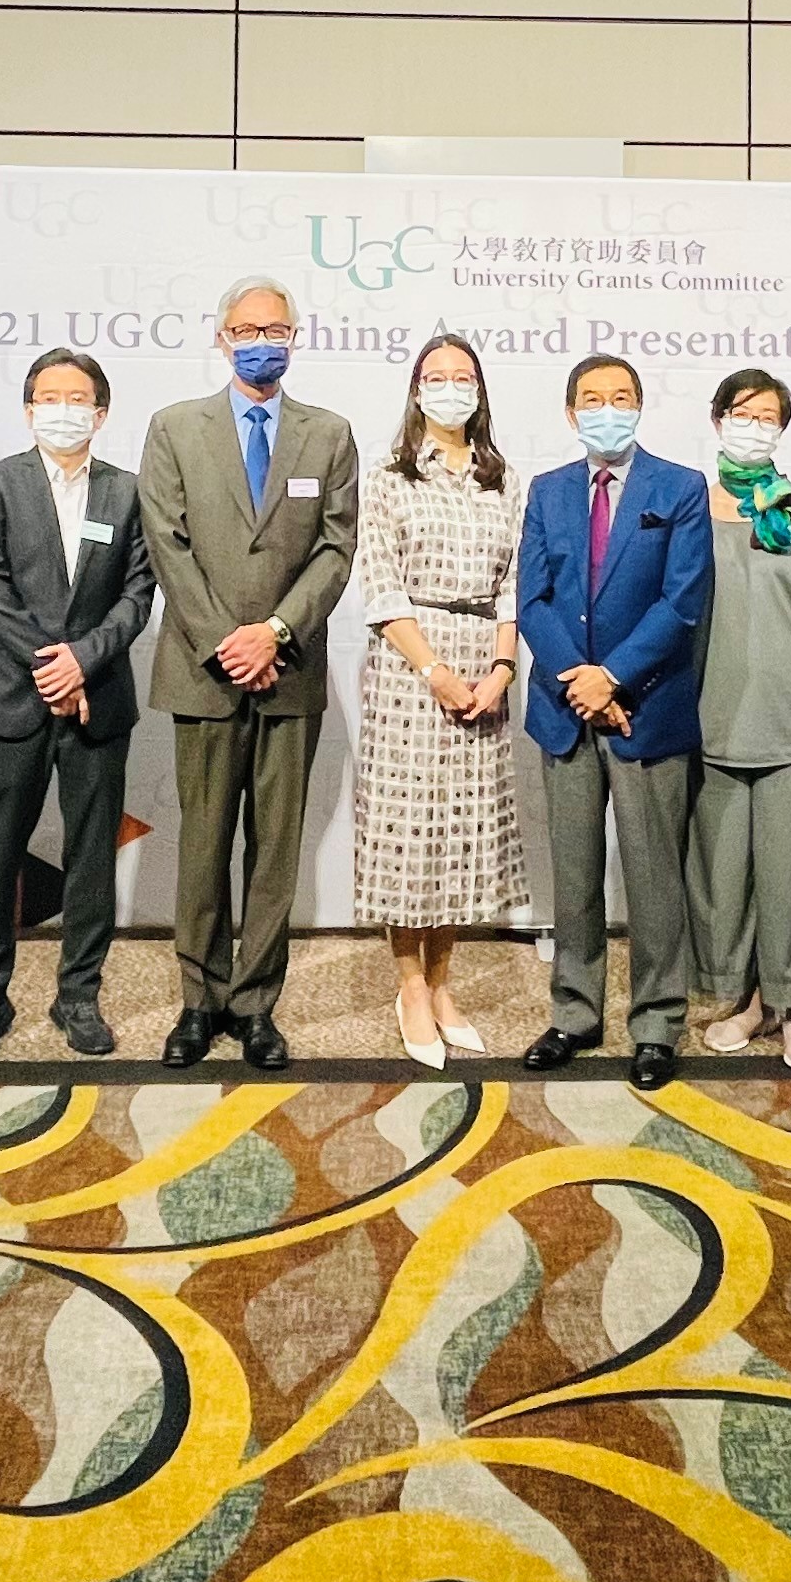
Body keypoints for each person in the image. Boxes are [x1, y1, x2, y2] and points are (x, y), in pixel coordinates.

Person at [141, 276, 357, 1072]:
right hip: (204, 672)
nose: (261, 338)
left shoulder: (328, 434)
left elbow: (336, 548)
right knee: (203, 845)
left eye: (276, 327)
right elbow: (167, 542)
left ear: (296, 337)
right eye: (246, 327)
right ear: (221, 335)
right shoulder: (174, 429)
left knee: (274, 851)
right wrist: (225, 640)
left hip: (289, 667)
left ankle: (256, 1004)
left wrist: (272, 632)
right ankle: (199, 1001)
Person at [516, 352, 715, 1089]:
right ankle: (574, 1012)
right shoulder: (547, 490)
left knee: (654, 875)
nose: (608, 409)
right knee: (573, 873)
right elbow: (532, 598)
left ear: (640, 406)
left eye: (622, 396)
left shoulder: (681, 487)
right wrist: (581, 682)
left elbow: (682, 600)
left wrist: (615, 677)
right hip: (567, 710)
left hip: (646, 710)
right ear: (571, 413)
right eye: (593, 399)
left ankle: (658, 1023)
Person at [0, 346, 156, 1062]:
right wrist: (51, 666)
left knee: (90, 854)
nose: (63, 409)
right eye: (49, 396)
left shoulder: (128, 492)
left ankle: (79, 995)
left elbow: (139, 594)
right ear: (29, 408)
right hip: (12, 697)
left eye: (78, 399)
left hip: (97, 700)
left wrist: (84, 661)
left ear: (100, 414)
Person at [350, 335, 526, 1070]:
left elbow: (516, 581)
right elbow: (381, 585)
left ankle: (446, 982)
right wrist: (436, 672)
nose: (451, 388)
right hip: (408, 669)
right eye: (436, 377)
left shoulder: (504, 479)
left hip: (484, 663)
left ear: (481, 391)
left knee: (462, 837)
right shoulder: (389, 477)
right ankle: (411, 988)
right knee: (409, 835)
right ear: (416, 390)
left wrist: (501, 667)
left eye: (464, 377)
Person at [687, 370, 791, 1072]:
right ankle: (752, 1001)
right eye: (742, 413)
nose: (754, 425)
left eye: (768, 416)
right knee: (730, 881)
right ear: (718, 418)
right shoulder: (688, 510)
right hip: (707, 726)